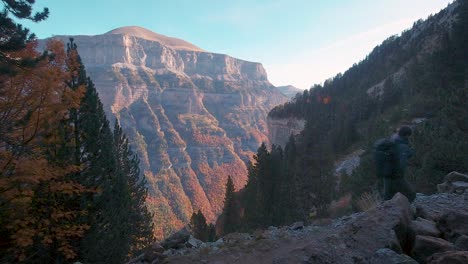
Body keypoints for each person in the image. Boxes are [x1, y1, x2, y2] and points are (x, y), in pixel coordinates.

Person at [383, 126, 416, 202]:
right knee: (411, 195)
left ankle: (385, 212)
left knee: (387, 197)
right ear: (407, 135)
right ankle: (407, 212)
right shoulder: (402, 146)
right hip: (396, 176)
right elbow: (402, 162)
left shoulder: (393, 140)